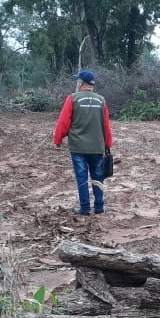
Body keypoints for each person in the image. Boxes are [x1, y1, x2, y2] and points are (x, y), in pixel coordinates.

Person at [53, 70, 113, 215]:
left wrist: (58, 139)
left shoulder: (72, 98)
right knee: (98, 177)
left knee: (82, 178)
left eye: (77, 81)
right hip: (97, 147)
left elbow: (64, 121)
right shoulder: (101, 100)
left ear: (81, 83)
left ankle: (85, 208)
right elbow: (106, 125)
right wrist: (108, 144)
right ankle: (99, 207)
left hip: (78, 147)